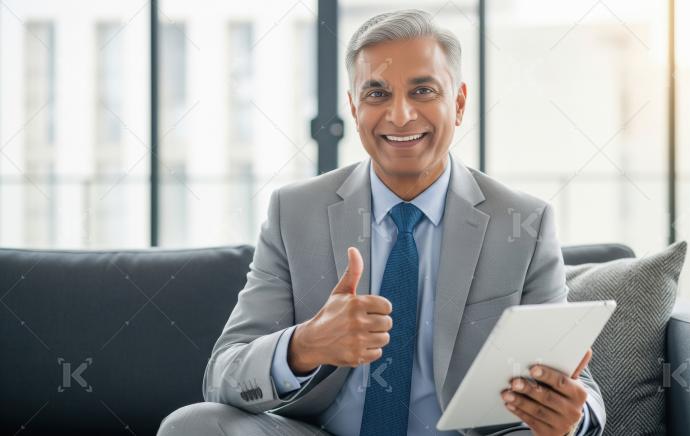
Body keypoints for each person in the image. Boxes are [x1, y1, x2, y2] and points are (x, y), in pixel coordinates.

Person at [158, 9, 605, 436]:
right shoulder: (294, 212)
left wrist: (570, 417)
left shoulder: (523, 222)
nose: (400, 115)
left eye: (423, 91)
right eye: (377, 94)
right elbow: (223, 375)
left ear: (460, 102)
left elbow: (580, 385)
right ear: (354, 109)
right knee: (191, 425)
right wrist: (305, 345)